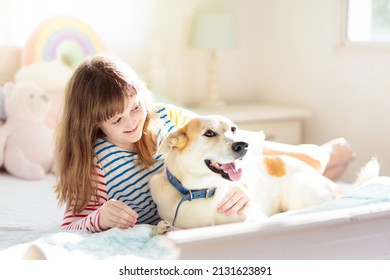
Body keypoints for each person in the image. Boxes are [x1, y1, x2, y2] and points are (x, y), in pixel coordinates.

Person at [55, 54, 355, 233]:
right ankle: (321, 160)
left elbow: (227, 141)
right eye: (116, 120)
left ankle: (316, 155)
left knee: (267, 150)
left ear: (141, 96)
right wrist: (99, 218)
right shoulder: (96, 165)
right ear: (92, 123)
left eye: (134, 107)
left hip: (223, 164)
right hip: (178, 211)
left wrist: (244, 186)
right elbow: (70, 226)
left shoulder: (164, 116)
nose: (132, 123)